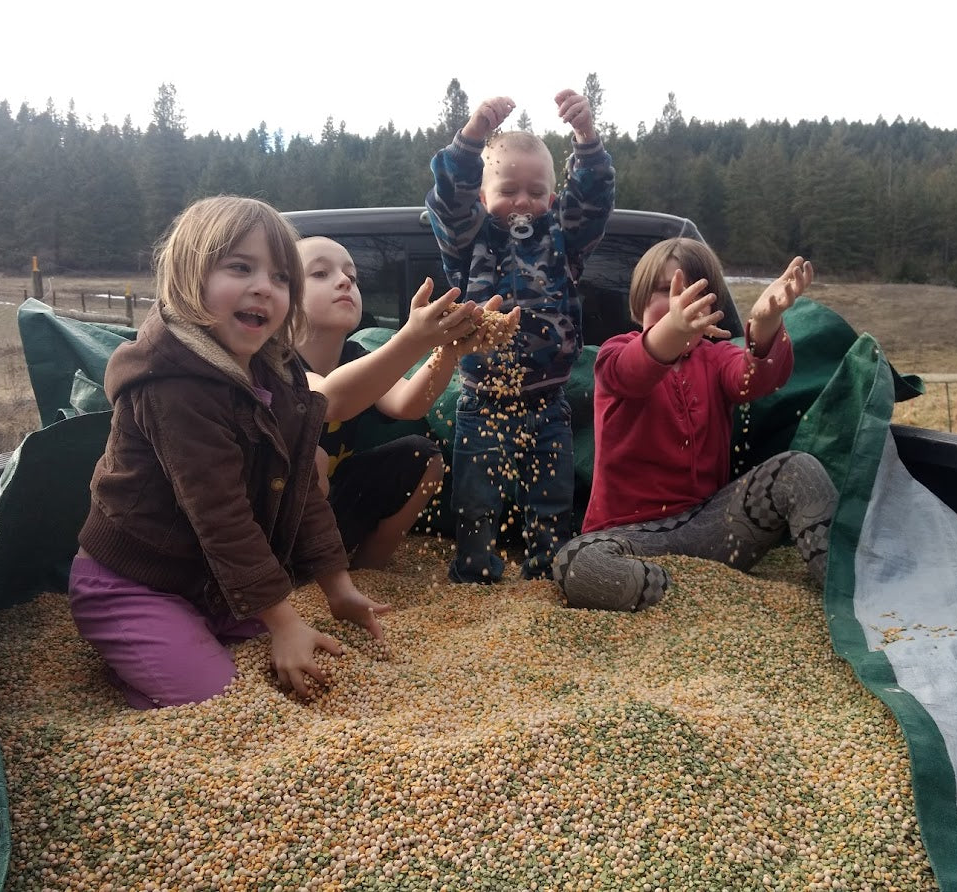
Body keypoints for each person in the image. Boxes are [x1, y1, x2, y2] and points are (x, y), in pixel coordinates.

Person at [68, 196, 389, 709]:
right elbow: (221, 516)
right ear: (188, 277)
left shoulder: (273, 371)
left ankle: (186, 639)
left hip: (209, 583)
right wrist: (283, 622)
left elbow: (300, 484)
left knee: (291, 662)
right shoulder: (174, 387)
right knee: (218, 699)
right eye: (240, 267)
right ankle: (133, 675)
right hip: (135, 583)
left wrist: (338, 586)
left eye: (282, 278)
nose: (265, 286)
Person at [553, 238, 838, 611]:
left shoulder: (718, 358)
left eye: (693, 293)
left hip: (712, 530)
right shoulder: (615, 352)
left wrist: (766, 324)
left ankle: (841, 582)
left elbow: (754, 379)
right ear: (639, 304)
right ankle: (679, 599)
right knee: (575, 565)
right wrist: (672, 326)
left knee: (798, 469)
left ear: (713, 311)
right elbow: (631, 373)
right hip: (629, 536)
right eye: (664, 290)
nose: (679, 304)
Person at [426, 89, 616, 584]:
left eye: (536, 191)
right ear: (483, 197)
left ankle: (545, 574)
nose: (523, 201)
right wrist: (470, 139)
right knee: (474, 497)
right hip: (482, 401)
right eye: (509, 189)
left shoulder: (563, 242)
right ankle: (474, 573)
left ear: (552, 198)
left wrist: (587, 139)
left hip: (548, 403)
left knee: (552, 497)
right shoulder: (470, 243)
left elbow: (592, 203)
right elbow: (448, 203)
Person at [295, 236, 519, 569]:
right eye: (320, 274)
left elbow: (408, 404)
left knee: (423, 455)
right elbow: (330, 400)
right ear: (283, 298)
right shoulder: (276, 362)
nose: (344, 281)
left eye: (351, 277)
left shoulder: (354, 357)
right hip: (274, 526)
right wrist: (411, 338)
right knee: (312, 460)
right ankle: (304, 572)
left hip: (333, 511)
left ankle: (370, 569)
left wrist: (450, 348)